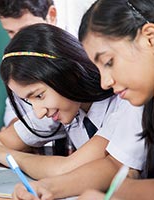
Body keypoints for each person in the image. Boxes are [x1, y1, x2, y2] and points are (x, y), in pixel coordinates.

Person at [0, 23, 146, 199]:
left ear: (67, 74)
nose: (38, 112)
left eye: (38, 95)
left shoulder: (124, 102)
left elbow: (69, 168)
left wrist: (8, 155)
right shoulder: (62, 106)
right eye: (28, 101)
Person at [76, 0, 154, 199]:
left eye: (109, 62)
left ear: (150, 38)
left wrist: (125, 190)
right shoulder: (144, 104)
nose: (105, 82)